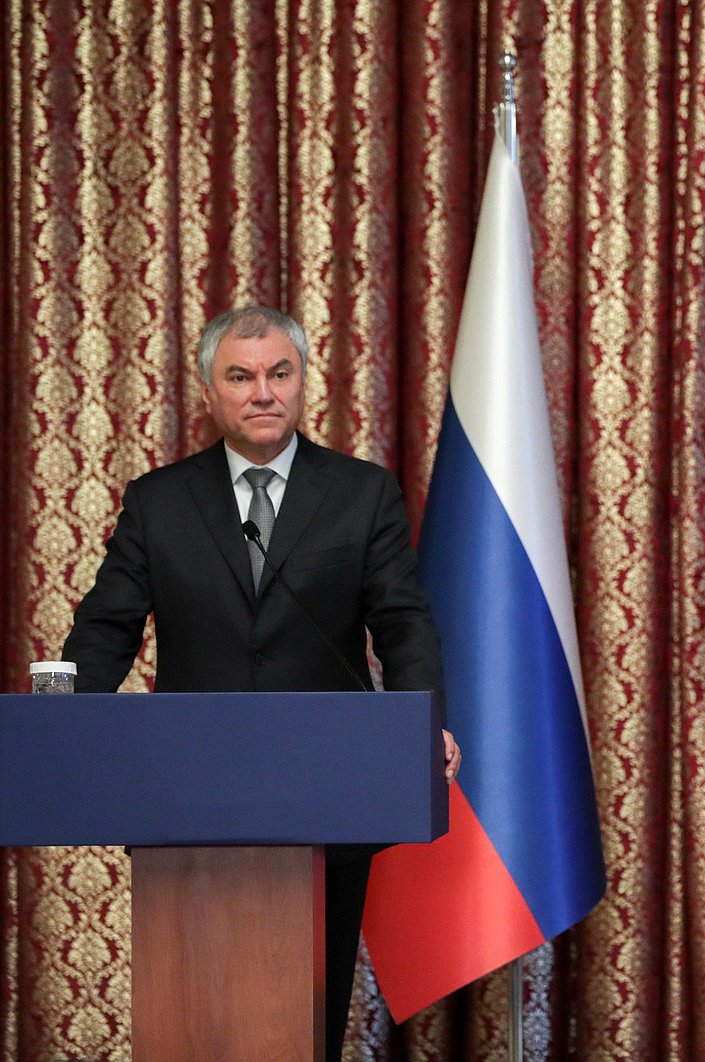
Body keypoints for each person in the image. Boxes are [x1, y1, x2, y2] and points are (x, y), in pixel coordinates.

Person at [61, 306, 463, 1059]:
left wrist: (423, 721)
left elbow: (404, 622)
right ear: (209, 391)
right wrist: (58, 722)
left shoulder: (361, 494)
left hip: (329, 793)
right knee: (192, 1017)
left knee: (308, 1019)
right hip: (185, 798)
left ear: (303, 381)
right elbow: (106, 628)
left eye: (280, 373)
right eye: (241, 377)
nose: (263, 393)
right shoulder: (158, 500)